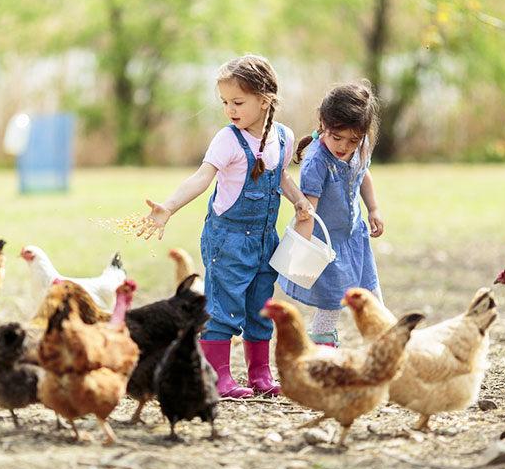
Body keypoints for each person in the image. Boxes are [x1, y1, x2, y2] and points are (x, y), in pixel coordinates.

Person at [140, 54, 312, 398]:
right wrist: (169, 206)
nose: (229, 110)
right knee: (223, 307)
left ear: (265, 101)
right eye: (224, 102)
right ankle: (218, 376)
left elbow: (280, 176)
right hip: (227, 239)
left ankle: (260, 374)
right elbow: (202, 178)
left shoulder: (283, 136)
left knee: (260, 307)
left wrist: (298, 199)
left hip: (266, 239)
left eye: (238, 102)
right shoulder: (227, 140)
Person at [280, 82, 384, 347]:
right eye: (337, 138)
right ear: (323, 124)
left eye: (353, 140)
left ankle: (384, 342)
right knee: (331, 303)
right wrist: (300, 250)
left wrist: (373, 208)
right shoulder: (317, 161)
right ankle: (322, 349)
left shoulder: (360, 146)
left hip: (353, 237)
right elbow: (308, 211)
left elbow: (362, 174)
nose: (344, 146)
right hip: (327, 246)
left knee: (371, 291)